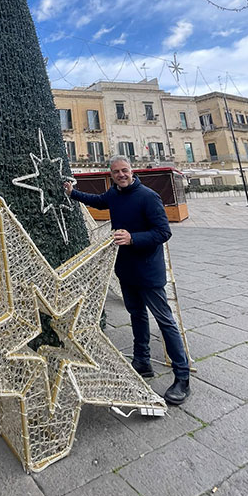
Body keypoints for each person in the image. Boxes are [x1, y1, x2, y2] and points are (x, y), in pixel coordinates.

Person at [64, 155, 190, 405]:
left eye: (124, 170)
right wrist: (72, 192)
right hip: (126, 269)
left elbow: (163, 232)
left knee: (165, 322)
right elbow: (98, 202)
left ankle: (182, 377)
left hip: (148, 271)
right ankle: (142, 361)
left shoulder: (148, 196)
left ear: (131, 171)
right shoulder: (114, 195)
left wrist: (133, 238)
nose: (121, 175)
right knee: (136, 315)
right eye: (116, 172)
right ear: (111, 175)